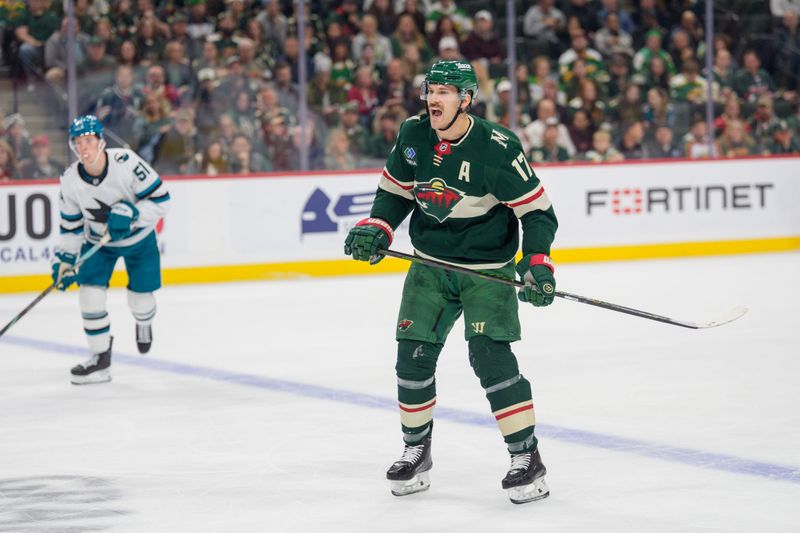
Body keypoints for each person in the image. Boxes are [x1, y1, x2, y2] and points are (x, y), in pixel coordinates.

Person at [343, 60, 558, 504]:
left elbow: (537, 212)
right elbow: (396, 193)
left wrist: (536, 261)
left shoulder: (497, 148)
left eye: (445, 91)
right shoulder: (413, 134)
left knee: (489, 357)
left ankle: (527, 458)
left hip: (486, 271)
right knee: (412, 359)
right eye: (431, 90)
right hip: (429, 266)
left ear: (467, 99)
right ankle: (416, 450)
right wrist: (380, 226)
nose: (434, 99)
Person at [51, 115, 171, 385]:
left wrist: (132, 214)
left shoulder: (126, 163)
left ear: (101, 141)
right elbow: (70, 228)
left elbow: (162, 200)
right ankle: (100, 360)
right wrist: (65, 260)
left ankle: (143, 322)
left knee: (140, 301)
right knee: (89, 296)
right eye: (78, 143)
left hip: (139, 241)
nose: (84, 148)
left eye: (89, 141)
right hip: (98, 244)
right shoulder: (70, 181)